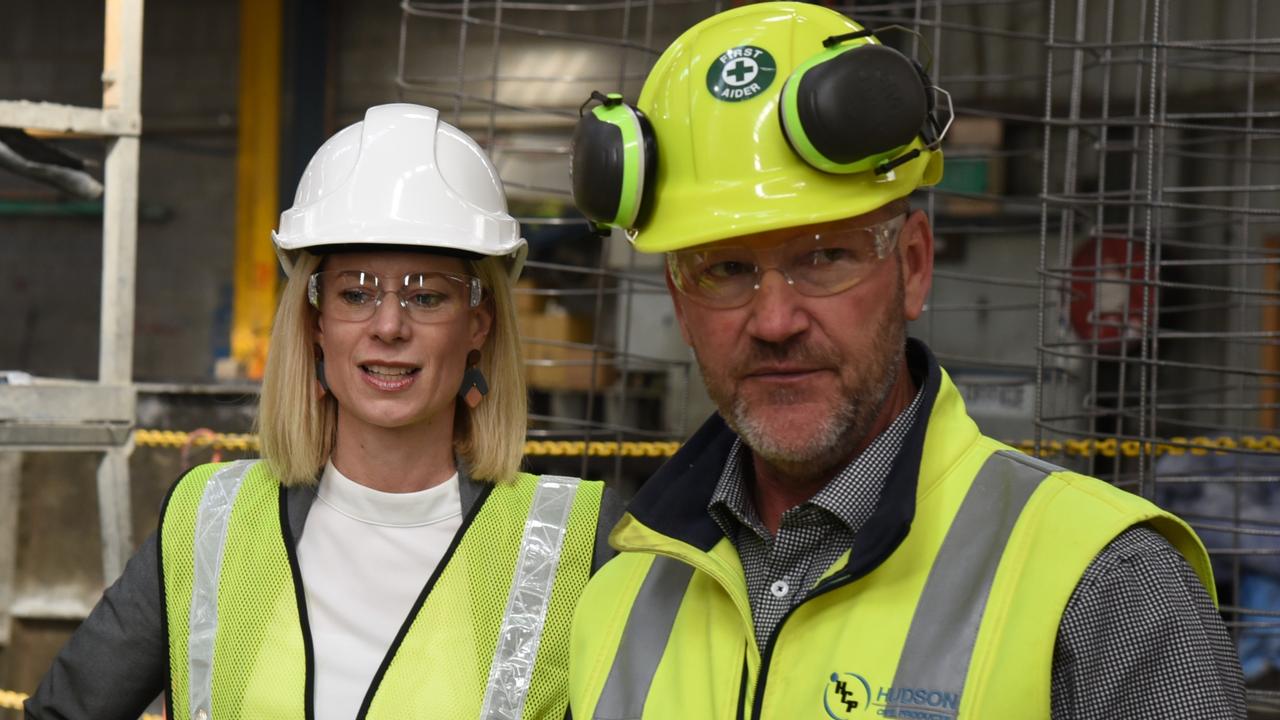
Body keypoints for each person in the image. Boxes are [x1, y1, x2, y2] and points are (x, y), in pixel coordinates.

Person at [565, 4, 1246, 719]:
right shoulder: (620, 598)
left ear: (914, 266)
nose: (773, 321)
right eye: (725, 270)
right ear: (680, 299)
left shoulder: (1106, 587)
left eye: (825, 257)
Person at [26, 103, 622, 720]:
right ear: (315, 321)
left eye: (427, 296)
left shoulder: (574, 541)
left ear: (478, 322)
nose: (389, 326)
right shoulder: (209, 521)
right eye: (356, 293)